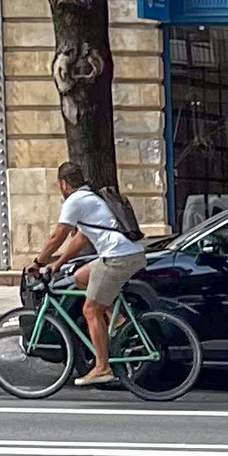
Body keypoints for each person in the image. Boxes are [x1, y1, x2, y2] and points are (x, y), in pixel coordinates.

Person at [30, 161, 146, 388]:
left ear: (63, 184)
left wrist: (39, 261)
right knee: (80, 277)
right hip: (125, 253)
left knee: (90, 309)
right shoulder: (89, 198)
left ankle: (103, 367)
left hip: (117, 257)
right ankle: (121, 323)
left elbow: (58, 236)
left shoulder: (75, 201)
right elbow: (81, 238)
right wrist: (58, 263)